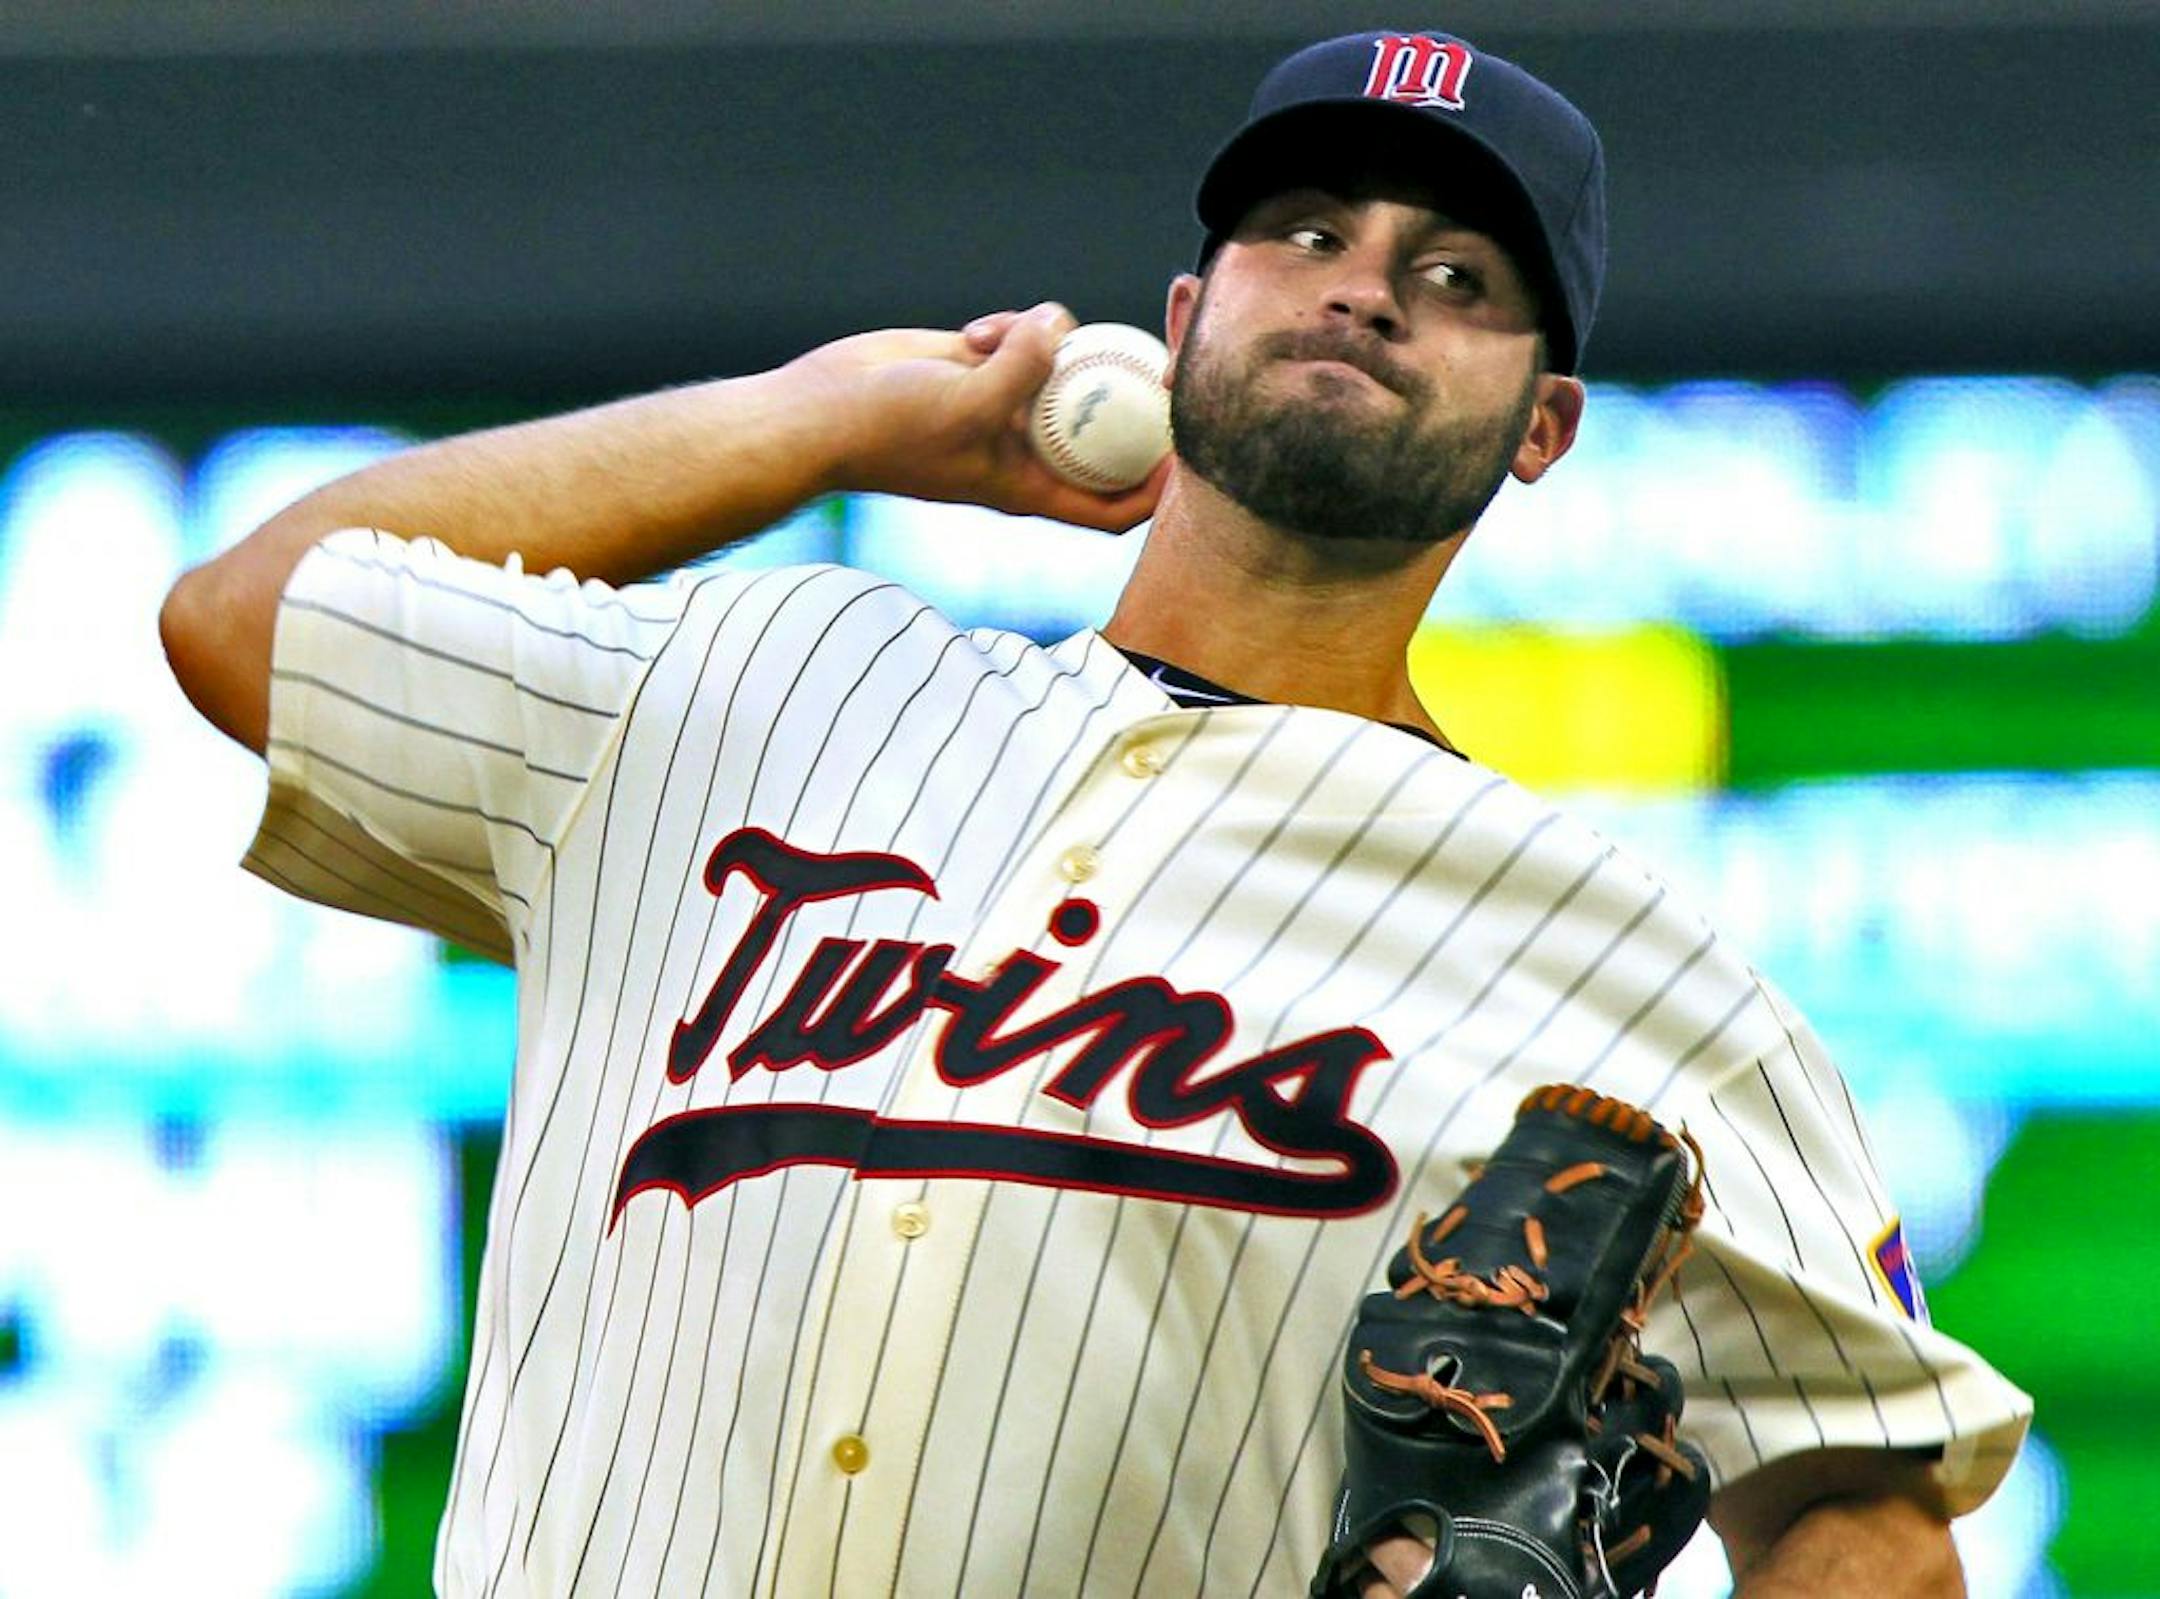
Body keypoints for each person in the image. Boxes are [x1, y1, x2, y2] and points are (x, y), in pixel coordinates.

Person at [161, 27, 2030, 1598]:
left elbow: (1862, 1493)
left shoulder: (1623, 965)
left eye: (1458, 278)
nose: (1367, 286)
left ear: (1542, 424)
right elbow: (246, 622)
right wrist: (819, 419)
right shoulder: (743, 694)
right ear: (1185, 318)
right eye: (1309, 234)